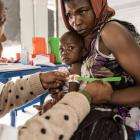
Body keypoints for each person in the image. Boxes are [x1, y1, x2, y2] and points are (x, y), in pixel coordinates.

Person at [60, 0, 140, 139]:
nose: (75, 22)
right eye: (69, 15)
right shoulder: (84, 39)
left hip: (126, 116)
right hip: (96, 110)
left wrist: (107, 96)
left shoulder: (110, 32)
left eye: (82, 11)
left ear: (97, 7)